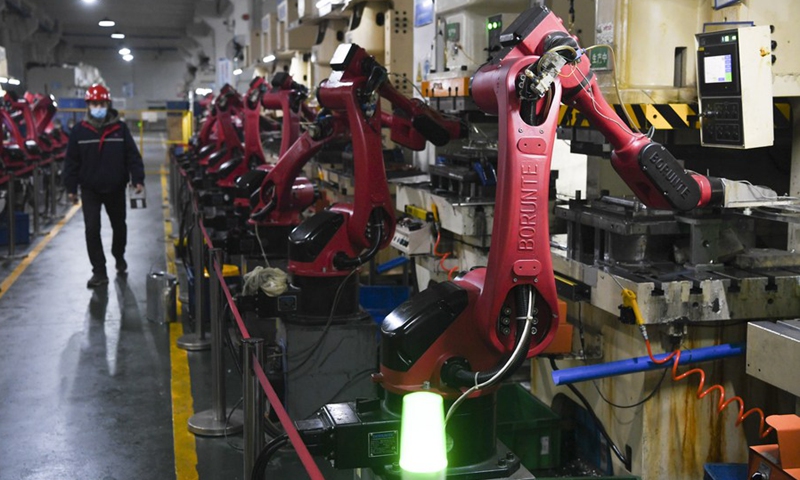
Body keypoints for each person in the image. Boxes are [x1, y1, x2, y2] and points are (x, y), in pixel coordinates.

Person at [63, 84, 144, 288]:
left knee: (119, 226)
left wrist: (138, 179)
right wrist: (71, 188)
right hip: (90, 189)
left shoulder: (120, 129)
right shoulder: (79, 132)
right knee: (92, 229)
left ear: (108, 104)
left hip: (115, 188)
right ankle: (99, 271)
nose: (98, 107)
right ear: (88, 105)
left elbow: (132, 156)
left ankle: (119, 255)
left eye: (101, 103)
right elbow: (71, 162)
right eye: (94, 104)